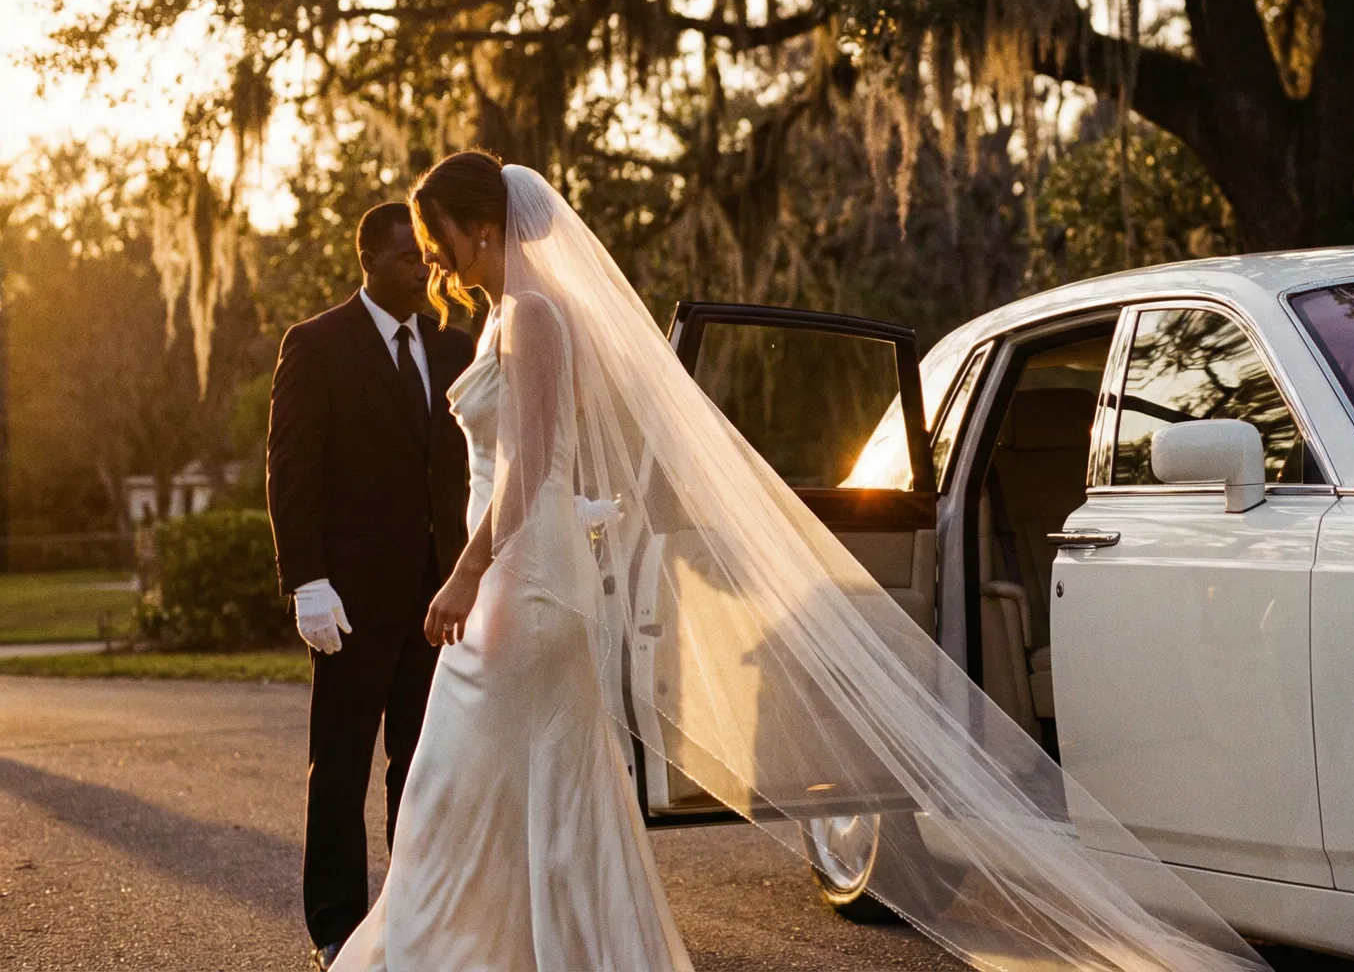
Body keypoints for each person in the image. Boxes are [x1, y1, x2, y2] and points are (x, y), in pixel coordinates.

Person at [332, 151, 1267, 972]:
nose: (435, 256)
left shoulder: (535, 316)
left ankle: (452, 950)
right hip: (522, 577)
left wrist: (463, 574)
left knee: (466, 781)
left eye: (438, 234)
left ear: (479, 222)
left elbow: (532, 468)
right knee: (513, 784)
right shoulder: (509, 317)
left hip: (522, 584)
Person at [265, 203, 474, 971]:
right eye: (407, 259)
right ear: (369, 262)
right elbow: (291, 472)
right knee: (344, 763)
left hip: (438, 597)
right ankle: (337, 927)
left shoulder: (455, 349)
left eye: (427, 257)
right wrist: (307, 582)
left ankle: (413, 912)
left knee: (422, 765)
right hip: (349, 597)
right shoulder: (316, 345)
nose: (424, 270)